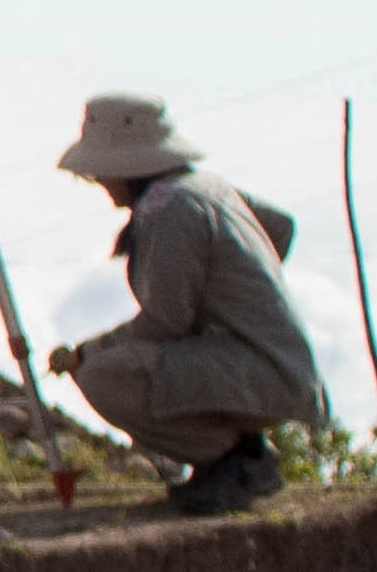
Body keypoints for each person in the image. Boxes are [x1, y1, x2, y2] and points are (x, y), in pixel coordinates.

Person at [44, 93, 331, 515]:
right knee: (126, 364)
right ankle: (235, 456)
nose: (98, 181)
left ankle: (234, 461)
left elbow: (165, 321)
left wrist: (85, 353)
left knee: (103, 375)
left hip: (261, 372)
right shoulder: (206, 187)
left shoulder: (168, 208)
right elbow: (280, 227)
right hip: (272, 363)